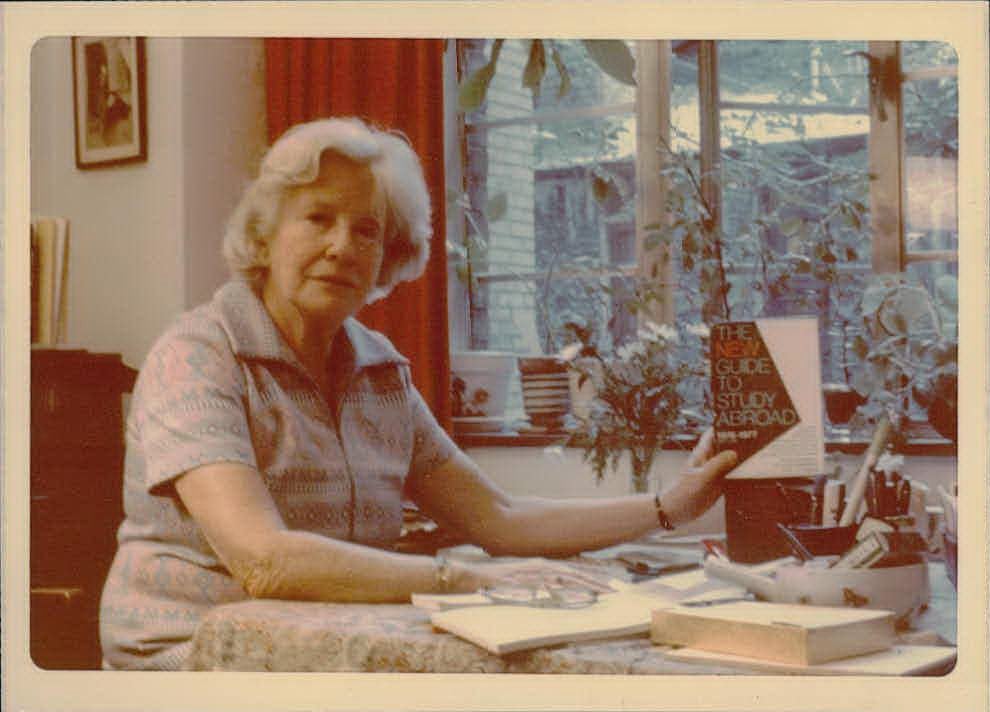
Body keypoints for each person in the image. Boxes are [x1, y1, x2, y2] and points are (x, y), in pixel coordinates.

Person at [99, 117, 738, 670]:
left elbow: (498, 519)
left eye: (367, 230)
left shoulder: (381, 373)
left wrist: (671, 507)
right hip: (190, 656)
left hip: (324, 646)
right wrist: (464, 580)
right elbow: (264, 560)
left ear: (389, 253)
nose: (342, 246)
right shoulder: (196, 356)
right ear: (265, 237)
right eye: (317, 218)